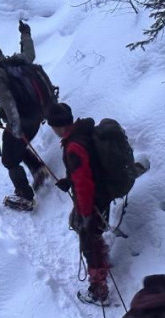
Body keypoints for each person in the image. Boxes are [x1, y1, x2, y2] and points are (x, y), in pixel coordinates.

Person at [0, 21, 47, 212]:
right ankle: (39, 169)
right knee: (16, 147)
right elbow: (30, 53)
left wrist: (15, 127)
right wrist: (25, 33)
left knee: (9, 159)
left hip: (21, 122)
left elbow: (7, 100)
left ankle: (25, 197)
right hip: (36, 117)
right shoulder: (17, 61)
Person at [47, 102, 111, 304]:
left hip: (93, 201)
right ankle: (101, 258)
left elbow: (84, 184)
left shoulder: (73, 146)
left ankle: (98, 288)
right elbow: (85, 170)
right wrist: (69, 181)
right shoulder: (83, 133)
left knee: (88, 241)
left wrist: (85, 215)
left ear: (57, 127)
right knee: (93, 236)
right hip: (102, 194)